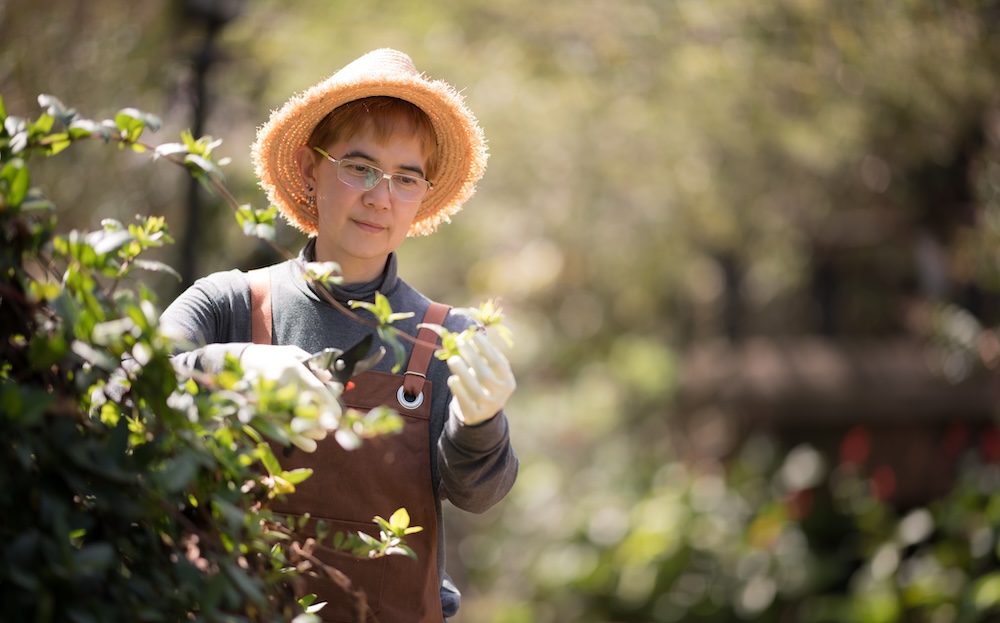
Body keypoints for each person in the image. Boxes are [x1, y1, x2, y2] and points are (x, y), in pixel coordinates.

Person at [160, 48, 518, 622]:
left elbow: (480, 494)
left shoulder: (448, 338)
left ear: (423, 194)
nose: (380, 196)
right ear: (310, 168)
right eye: (359, 167)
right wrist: (234, 365)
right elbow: (131, 381)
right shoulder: (228, 303)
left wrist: (479, 422)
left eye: (406, 178)